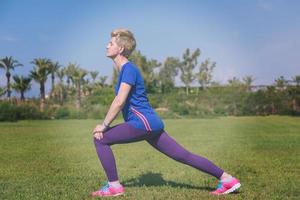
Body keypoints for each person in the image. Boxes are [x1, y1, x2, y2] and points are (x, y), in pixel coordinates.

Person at [91, 28, 241, 197]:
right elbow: (119, 100)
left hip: (142, 123)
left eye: (110, 43)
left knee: (100, 140)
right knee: (183, 155)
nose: (106, 45)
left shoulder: (129, 69)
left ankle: (114, 186)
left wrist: (103, 126)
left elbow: (119, 101)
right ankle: (227, 179)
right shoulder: (125, 70)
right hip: (150, 124)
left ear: (120, 49)